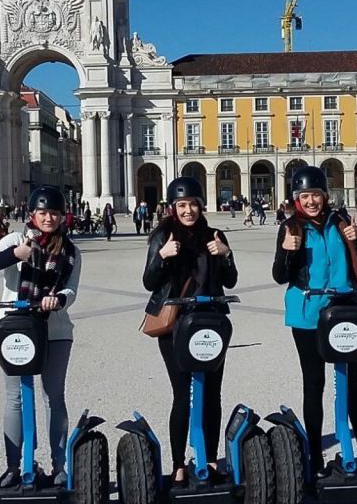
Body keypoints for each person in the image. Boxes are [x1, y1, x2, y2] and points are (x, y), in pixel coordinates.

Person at [272, 165, 357, 476]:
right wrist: (289, 252)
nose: (311, 201)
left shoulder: (341, 221)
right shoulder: (291, 227)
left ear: (325, 196)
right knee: (313, 383)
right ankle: (315, 456)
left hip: (344, 309)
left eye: (316, 194)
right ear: (296, 198)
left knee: (352, 383)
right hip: (307, 313)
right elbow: (279, 275)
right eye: (304, 196)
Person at [0, 186, 81, 487]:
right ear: (32, 214)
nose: (48, 218)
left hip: (55, 329)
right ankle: (16, 465)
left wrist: (58, 300)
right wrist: (16, 254)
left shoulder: (70, 252)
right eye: (43, 212)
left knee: (53, 397)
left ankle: (59, 465)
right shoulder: (15, 240)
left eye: (54, 213)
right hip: (16, 329)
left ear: (63, 216)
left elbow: (71, 291)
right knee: (14, 399)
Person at [142, 177, 238, 486]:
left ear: (201, 205)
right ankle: (180, 462)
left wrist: (225, 253)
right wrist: (162, 256)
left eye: (193, 204)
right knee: (182, 394)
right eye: (182, 205)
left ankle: (209, 458)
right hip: (175, 325)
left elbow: (231, 280)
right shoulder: (162, 236)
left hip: (209, 322)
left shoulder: (214, 235)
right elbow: (148, 281)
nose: (188, 210)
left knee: (212, 393)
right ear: (172, 208)